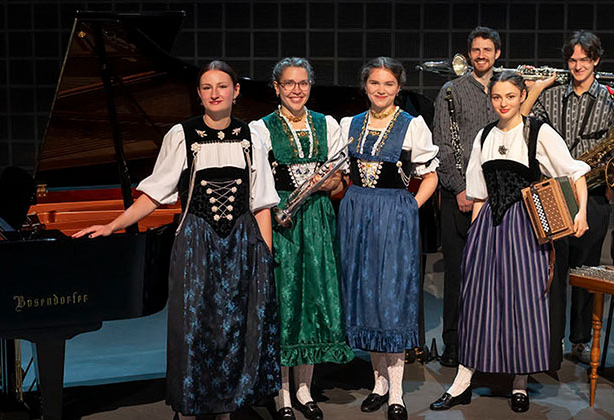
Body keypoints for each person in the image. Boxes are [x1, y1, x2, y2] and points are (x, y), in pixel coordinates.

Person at [72, 61, 280, 420]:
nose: (215, 93)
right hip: (197, 243)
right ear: (198, 94)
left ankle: (227, 408)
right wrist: (113, 225)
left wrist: (266, 257)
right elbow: (154, 194)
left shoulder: (253, 136)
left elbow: (260, 202)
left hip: (242, 244)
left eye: (222, 86)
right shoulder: (182, 135)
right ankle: (190, 408)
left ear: (236, 91)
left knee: (234, 327)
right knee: (195, 326)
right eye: (206, 87)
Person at [428, 71, 589, 414]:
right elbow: (478, 193)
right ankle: (462, 381)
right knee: (477, 301)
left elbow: (575, 173)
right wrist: (473, 239)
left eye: (510, 97)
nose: (503, 103)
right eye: (497, 97)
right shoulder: (485, 135)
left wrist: (581, 214)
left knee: (524, 303)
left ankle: (519, 382)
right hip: (488, 225)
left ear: (521, 97)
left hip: (526, 227)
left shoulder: (538, 132)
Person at [249, 57, 353, 420]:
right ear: (275, 87)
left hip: (319, 222)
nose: (297, 90)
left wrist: (327, 182)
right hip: (281, 222)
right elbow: (258, 183)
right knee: (285, 303)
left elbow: (341, 181)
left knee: (314, 302)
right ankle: (282, 394)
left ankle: (306, 389)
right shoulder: (259, 129)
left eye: (303, 83)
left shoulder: (327, 124)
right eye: (289, 83)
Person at [337, 57, 439, 420]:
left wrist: (410, 206)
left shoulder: (413, 126)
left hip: (393, 216)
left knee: (391, 298)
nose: (381, 90)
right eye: (375, 83)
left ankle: (396, 389)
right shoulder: (349, 124)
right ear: (365, 86)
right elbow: (341, 173)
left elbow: (430, 175)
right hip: (356, 215)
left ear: (399, 88)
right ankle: (378, 382)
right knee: (366, 297)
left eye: (389, 84)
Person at [524, 30, 614, 365]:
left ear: (596, 60)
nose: (578, 66)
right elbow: (524, 124)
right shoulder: (551, 96)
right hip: (553, 190)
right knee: (552, 269)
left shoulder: (613, 99)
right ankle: (550, 338)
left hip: (594, 192)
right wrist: (537, 87)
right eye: (572, 60)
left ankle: (580, 339)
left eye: (585, 59)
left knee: (585, 270)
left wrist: (610, 187)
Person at [430, 26, 501, 368]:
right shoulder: (451, 90)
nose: (481, 55)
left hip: (499, 198)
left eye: (487, 50)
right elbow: (442, 145)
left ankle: (488, 343)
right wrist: (459, 188)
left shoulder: (506, 90)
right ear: (469, 53)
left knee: (495, 276)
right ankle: (453, 342)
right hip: (461, 196)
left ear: (497, 54)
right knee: (458, 273)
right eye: (476, 50)